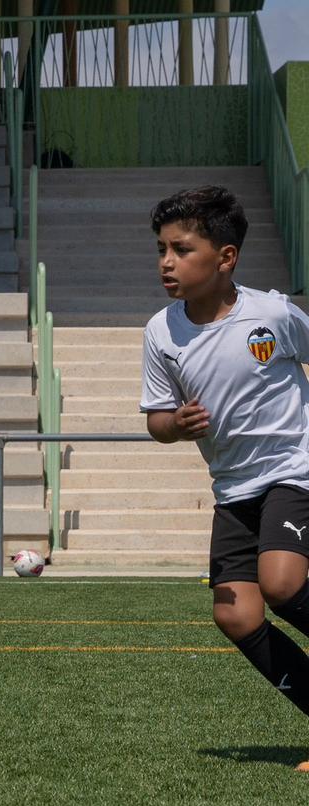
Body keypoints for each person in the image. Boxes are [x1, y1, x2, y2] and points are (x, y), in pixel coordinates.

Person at [141, 185, 309, 771]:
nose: (167, 261)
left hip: (295, 470)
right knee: (235, 614)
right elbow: (156, 420)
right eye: (161, 249)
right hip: (233, 488)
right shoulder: (161, 332)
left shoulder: (274, 314)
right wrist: (175, 424)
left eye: (182, 249)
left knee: (282, 583)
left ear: (226, 257)